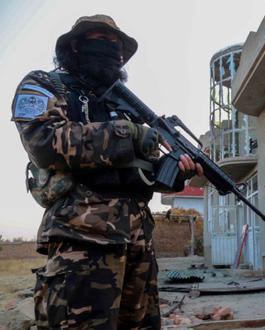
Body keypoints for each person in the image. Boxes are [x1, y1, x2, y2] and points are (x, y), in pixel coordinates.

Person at [12, 15, 203, 329]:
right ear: (75, 46)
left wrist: (178, 172)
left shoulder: (127, 107)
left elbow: (145, 173)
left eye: (117, 46)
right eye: (102, 39)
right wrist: (129, 134)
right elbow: (44, 143)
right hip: (82, 238)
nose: (112, 50)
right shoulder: (46, 84)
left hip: (139, 244)